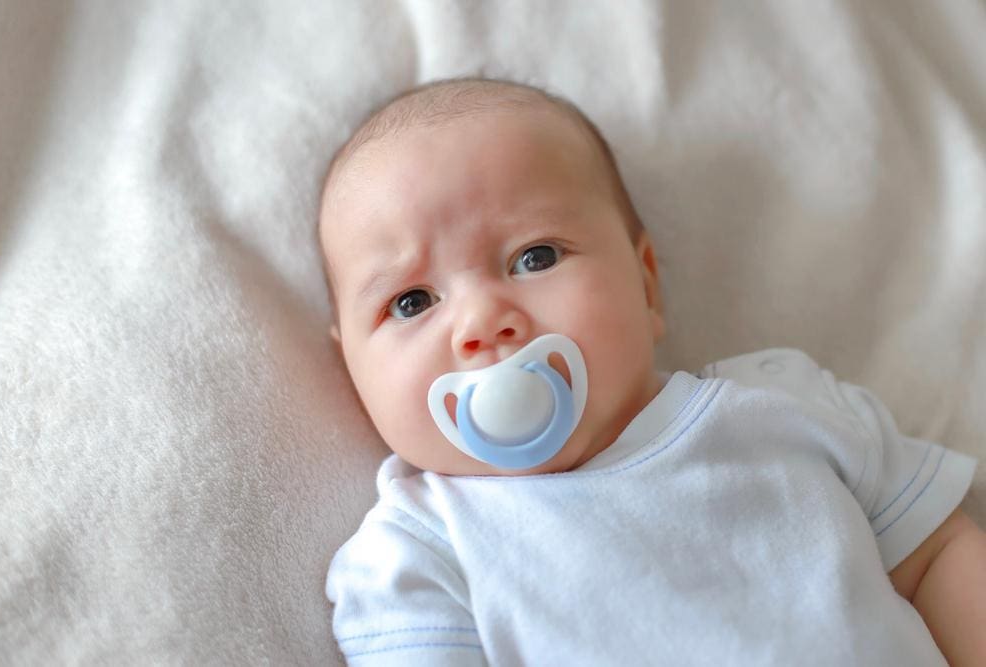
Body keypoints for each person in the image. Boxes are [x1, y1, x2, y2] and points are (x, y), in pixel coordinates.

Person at [320, 77, 984, 665]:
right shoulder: (420, 554)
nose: (482, 322)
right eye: (411, 301)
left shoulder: (779, 402)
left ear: (646, 286)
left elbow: (935, 555)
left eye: (535, 257)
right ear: (351, 368)